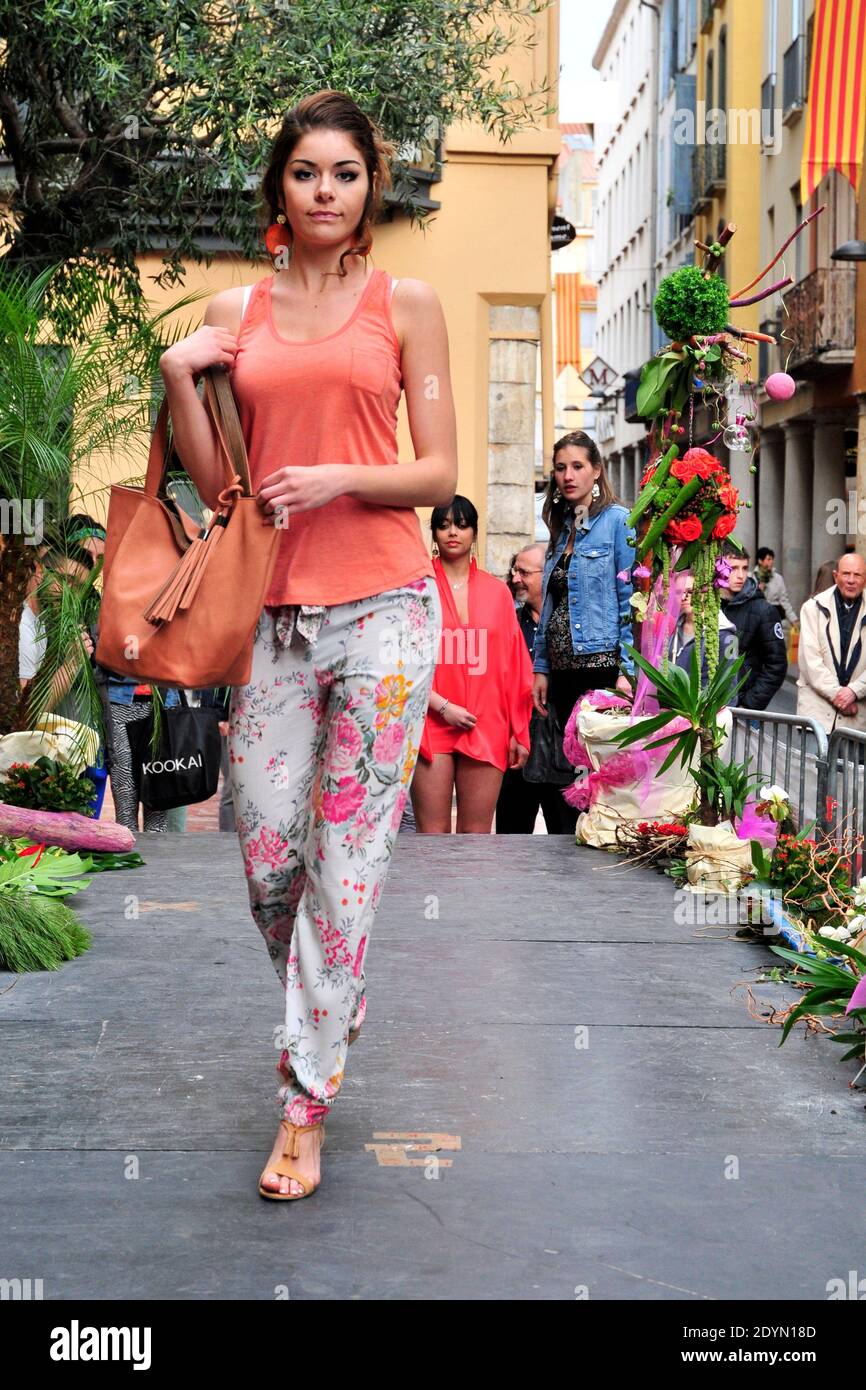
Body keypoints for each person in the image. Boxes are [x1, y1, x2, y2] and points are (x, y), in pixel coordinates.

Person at [158, 89, 456, 1200]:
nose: (325, 190)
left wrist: (340, 476)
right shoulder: (241, 307)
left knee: (348, 865)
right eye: (304, 173)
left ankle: (303, 1102)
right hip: (271, 619)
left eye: (344, 172)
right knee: (270, 856)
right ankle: (334, 1000)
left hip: (385, 608)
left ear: (369, 185)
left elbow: (436, 472)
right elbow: (215, 483)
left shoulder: (404, 302)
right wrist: (183, 373)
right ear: (277, 188)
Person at [412, 496, 532, 832]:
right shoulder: (418, 589)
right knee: (432, 837)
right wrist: (441, 706)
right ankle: (432, 889)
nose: (453, 532)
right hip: (429, 718)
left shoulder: (497, 592)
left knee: (476, 838)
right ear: (434, 534)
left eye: (462, 525)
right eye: (444, 525)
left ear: (474, 533)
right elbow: (400, 659)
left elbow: (514, 664)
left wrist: (517, 731)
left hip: (486, 721)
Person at [531, 431, 634, 735]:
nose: (568, 475)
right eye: (561, 468)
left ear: (597, 470)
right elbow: (550, 605)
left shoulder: (618, 521)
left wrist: (627, 671)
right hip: (561, 671)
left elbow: (630, 600)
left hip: (601, 669)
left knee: (599, 768)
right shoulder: (560, 528)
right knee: (570, 766)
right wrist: (541, 667)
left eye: (577, 466)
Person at [495, 542, 579, 835]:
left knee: (566, 843)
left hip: (561, 753)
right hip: (515, 751)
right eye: (514, 571)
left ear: (549, 575)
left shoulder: (573, 627)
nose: (515, 578)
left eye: (524, 572)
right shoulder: (509, 624)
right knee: (510, 842)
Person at [797, 552, 866, 733]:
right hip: (815, 716)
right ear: (836, 576)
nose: (851, 580)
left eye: (857, 575)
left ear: (865, 579)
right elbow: (810, 662)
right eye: (846, 574)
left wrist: (854, 692)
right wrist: (838, 695)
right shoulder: (812, 608)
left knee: (851, 763)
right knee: (812, 762)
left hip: (857, 719)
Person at [718, 547, 787, 709]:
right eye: (733, 568)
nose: (741, 575)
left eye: (744, 568)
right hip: (708, 706)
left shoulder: (764, 610)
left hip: (742, 708)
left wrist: (749, 704)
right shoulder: (708, 606)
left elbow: (776, 665)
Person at [669, 573, 739, 680]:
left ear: (705, 592)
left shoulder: (726, 636)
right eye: (679, 592)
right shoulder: (672, 628)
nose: (684, 597)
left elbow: (729, 684)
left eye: (691, 592)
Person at [753, 546, 797, 625]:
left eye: (772, 559)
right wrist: (759, 590)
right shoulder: (751, 578)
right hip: (757, 618)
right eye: (769, 559)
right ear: (760, 561)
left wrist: (794, 619)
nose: (771, 562)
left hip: (774, 618)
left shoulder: (778, 578)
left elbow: (784, 601)